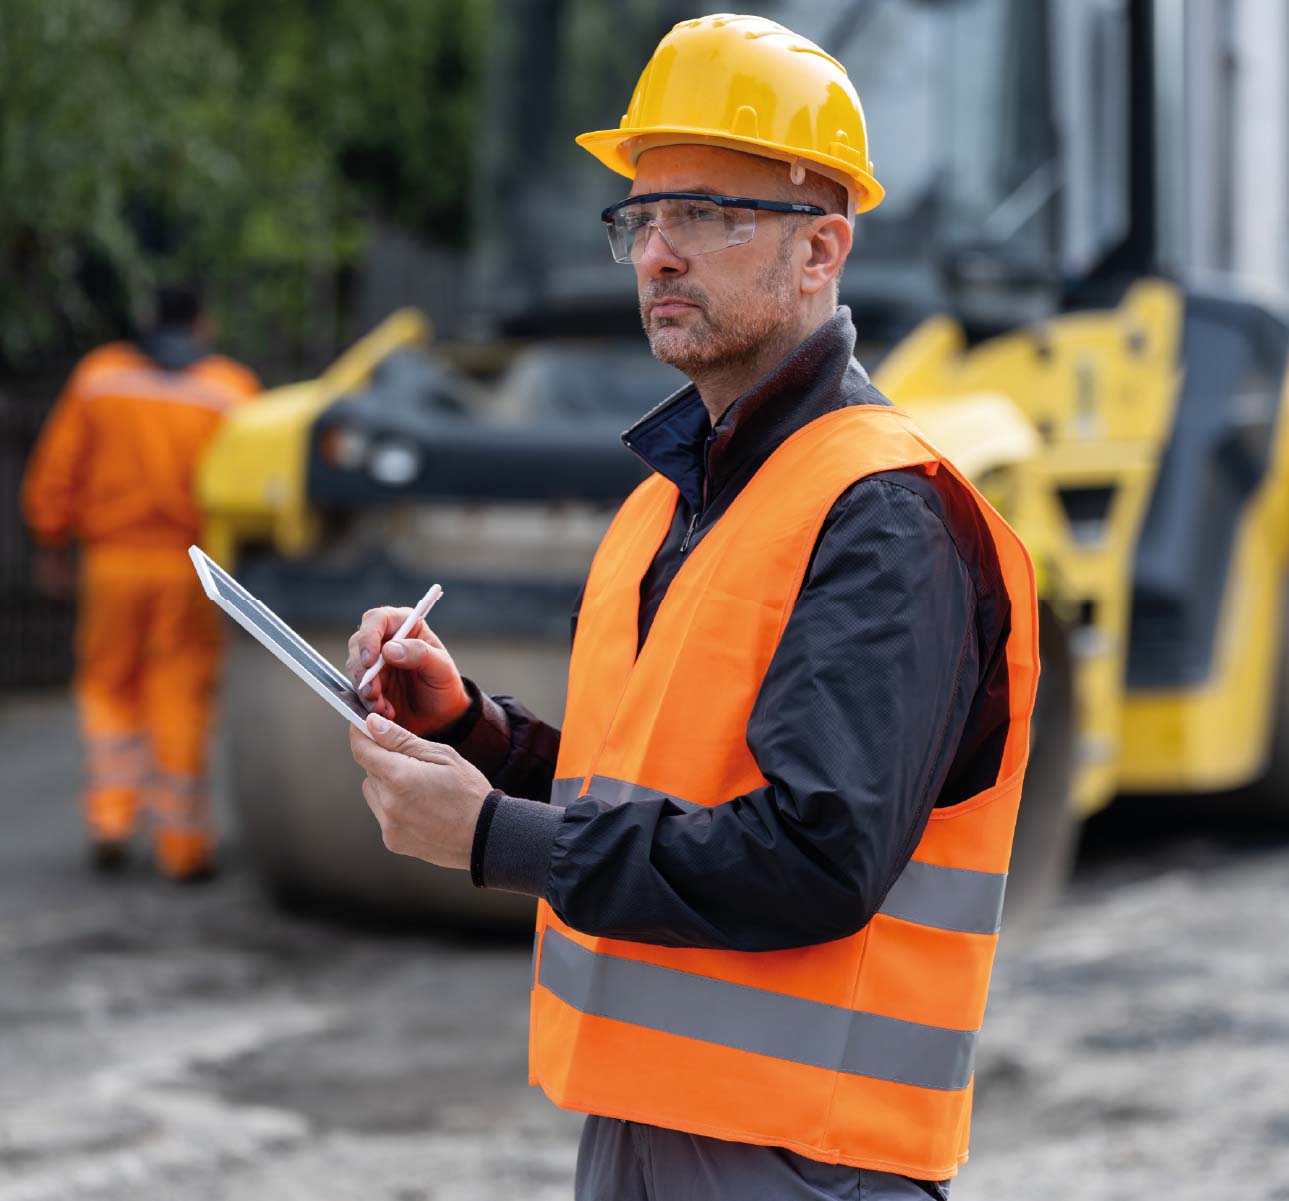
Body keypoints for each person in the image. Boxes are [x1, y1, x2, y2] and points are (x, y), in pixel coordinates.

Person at [346, 14, 1038, 1199]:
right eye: (641, 217)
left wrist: (485, 835)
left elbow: (815, 855)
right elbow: (654, 799)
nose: (658, 252)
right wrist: (476, 734)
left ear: (820, 252)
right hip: (643, 1128)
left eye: (706, 215)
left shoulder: (885, 515)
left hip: (807, 1159)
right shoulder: (673, 501)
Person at [22, 284, 259, 881]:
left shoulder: (101, 378)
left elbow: (56, 469)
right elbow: (252, 487)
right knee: (179, 689)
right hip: (194, 570)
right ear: (202, 325)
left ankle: (110, 820)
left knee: (107, 684)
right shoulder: (230, 392)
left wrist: (51, 540)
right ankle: (182, 847)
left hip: (111, 562)